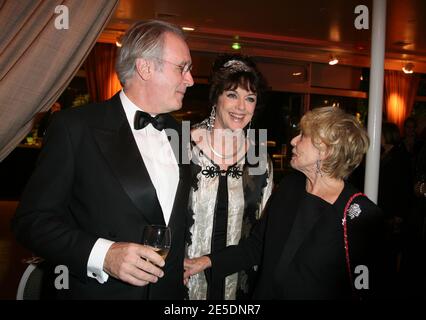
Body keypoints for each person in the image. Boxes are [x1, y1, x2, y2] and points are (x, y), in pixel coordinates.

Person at [12, 20, 194, 299]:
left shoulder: (180, 134)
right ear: (145, 67)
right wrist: (103, 255)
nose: (190, 79)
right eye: (182, 68)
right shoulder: (75, 127)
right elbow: (31, 222)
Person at [185, 107, 386, 300]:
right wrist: (205, 261)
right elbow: (257, 246)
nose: (293, 141)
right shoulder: (290, 187)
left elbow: (366, 288)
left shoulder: (361, 216)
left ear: (325, 149)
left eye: (303, 135)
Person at [186, 54, 273, 300]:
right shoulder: (182, 144)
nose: (241, 107)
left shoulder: (259, 158)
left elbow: (262, 229)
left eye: (250, 98)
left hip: (239, 283)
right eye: (232, 95)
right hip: (185, 280)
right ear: (216, 98)